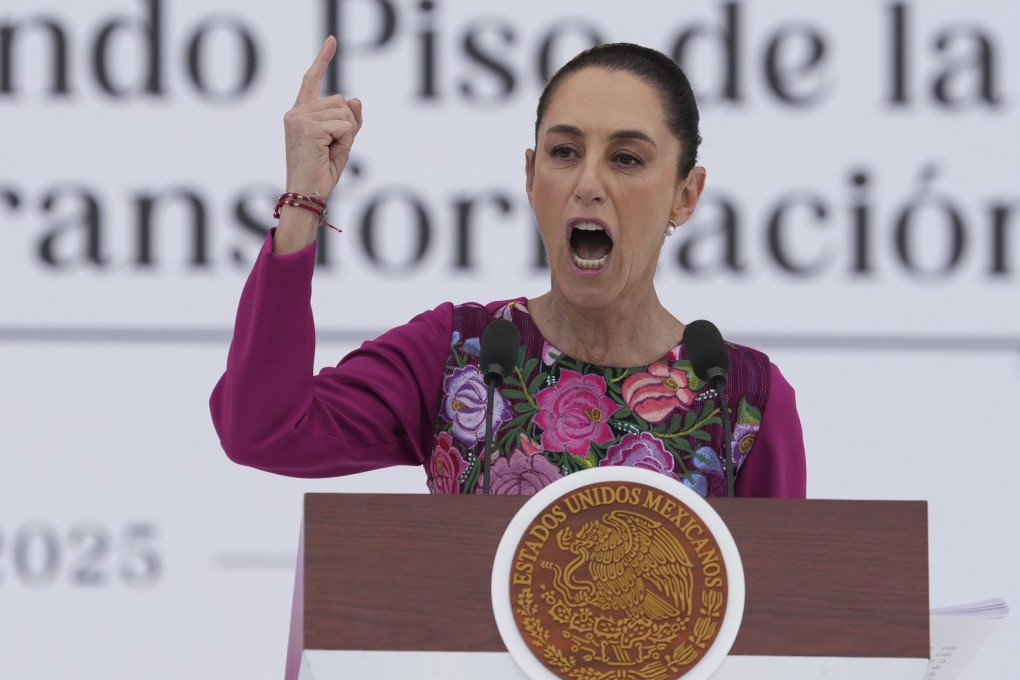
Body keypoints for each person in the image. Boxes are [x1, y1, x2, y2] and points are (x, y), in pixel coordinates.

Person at [210, 37, 806, 499]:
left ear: (686, 195)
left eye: (626, 159)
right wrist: (302, 207)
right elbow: (261, 431)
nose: (588, 184)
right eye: (564, 153)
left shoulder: (740, 401)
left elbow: (783, 631)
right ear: (530, 176)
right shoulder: (462, 354)